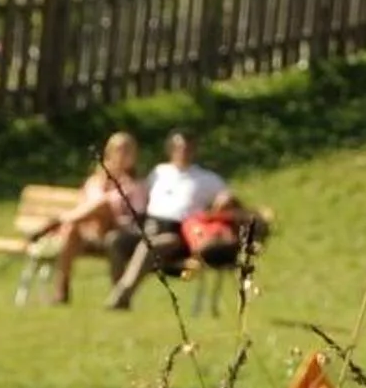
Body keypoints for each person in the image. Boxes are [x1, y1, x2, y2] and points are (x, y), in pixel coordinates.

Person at [106, 131, 256, 310]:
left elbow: (229, 198)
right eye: (178, 148)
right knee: (114, 240)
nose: (183, 152)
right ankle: (120, 295)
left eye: (187, 148)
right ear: (170, 149)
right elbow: (140, 196)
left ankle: (122, 293)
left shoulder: (206, 178)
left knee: (150, 246)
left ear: (194, 151)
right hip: (149, 225)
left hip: (179, 234)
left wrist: (225, 201)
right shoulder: (159, 172)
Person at [30, 131, 144, 305]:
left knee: (103, 205)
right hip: (89, 232)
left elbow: (135, 216)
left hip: (118, 233)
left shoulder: (136, 184)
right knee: (71, 230)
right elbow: (85, 205)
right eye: (118, 150)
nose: (122, 156)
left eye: (127, 151)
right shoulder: (95, 180)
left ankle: (57, 222)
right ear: (109, 153)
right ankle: (62, 291)